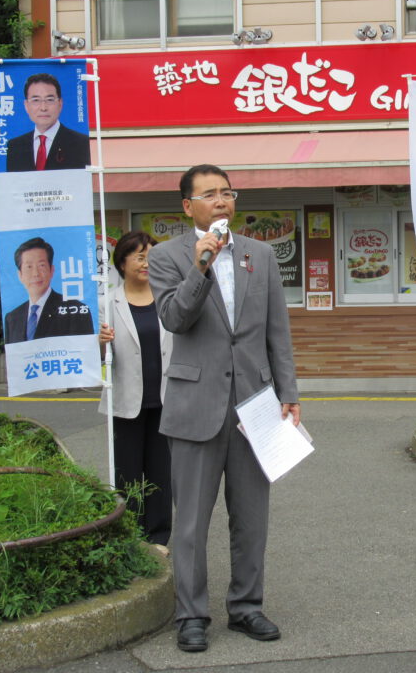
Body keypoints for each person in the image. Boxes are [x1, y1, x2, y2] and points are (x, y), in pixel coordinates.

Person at [148, 164, 300, 654]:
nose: (221, 201)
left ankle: (247, 607)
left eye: (227, 193)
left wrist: (289, 392)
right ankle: (192, 615)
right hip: (195, 405)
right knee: (190, 521)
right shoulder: (168, 256)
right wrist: (201, 266)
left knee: (251, 516)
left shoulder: (261, 255)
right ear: (187, 206)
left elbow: (277, 329)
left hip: (255, 403)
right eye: (209, 194)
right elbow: (175, 317)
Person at [98, 231, 173, 546]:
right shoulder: (107, 304)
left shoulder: (169, 298)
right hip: (126, 402)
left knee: (161, 476)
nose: (147, 263)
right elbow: (97, 362)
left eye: (152, 257)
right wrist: (99, 344)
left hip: (167, 401)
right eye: (140, 256)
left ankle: (157, 539)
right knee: (127, 474)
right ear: (123, 261)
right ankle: (130, 536)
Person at [4, 237, 94, 343]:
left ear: (51, 270)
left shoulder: (75, 310)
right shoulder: (12, 318)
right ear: (20, 275)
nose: (35, 274)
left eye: (41, 265)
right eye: (29, 267)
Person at [5, 73, 90, 172]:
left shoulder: (81, 143)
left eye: (49, 100)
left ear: (60, 103)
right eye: (36, 100)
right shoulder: (15, 146)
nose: (43, 108)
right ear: (26, 105)